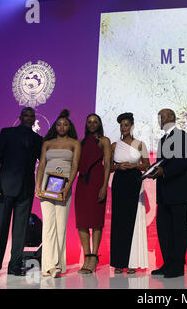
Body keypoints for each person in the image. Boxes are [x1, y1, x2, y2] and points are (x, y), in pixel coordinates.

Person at [0, 107, 43, 278]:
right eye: (26, 115)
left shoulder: (38, 139)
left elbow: (45, 162)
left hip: (26, 190)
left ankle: (15, 266)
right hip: (5, 187)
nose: (28, 118)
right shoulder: (7, 133)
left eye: (31, 116)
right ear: (20, 117)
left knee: (20, 231)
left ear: (34, 120)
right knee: (0, 229)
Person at [147, 109, 187, 278]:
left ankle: (178, 267)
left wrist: (162, 172)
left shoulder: (181, 135)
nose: (160, 119)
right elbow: (162, 162)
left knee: (178, 230)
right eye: (158, 117)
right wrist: (152, 170)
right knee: (164, 229)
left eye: (162, 116)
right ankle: (168, 264)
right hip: (164, 191)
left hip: (178, 191)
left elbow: (181, 163)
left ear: (172, 118)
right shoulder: (163, 139)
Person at [35, 109, 81, 278]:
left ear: (69, 127)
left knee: (60, 226)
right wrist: (37, 186)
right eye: (59, 124)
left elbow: (75, 166)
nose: (62, 127)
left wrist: (68, 188)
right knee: (48, 226)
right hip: (47, 186)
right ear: (55, 126)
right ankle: (49, 266)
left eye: (65, 124)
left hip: (64, 187)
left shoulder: (75, 143)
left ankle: (59, 265)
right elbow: (41, 166)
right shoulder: (47, 143)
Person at [110, 112, 150, 274]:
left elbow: (147, 165)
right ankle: (119, 262)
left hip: (134, 181)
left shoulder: (140, 144)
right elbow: (109, 167)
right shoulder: (114, 145)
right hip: (119, 181)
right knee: (119, 220)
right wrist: (118, 167)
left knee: (133, 219)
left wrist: (134, 166)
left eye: (126, 125)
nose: (123, 128)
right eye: (121, 125)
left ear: (131, 126)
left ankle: (133, 261)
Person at [75, 113, 111, 274]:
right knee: (82, 222)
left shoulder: (104, 141)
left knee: (96, 221)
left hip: (97, 181)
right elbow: (75, 164)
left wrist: (104, 186)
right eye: (89, 121)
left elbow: (108, 164)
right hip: (82, 183)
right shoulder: (80, 142)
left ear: (99, 124)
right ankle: (87, 256)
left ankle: (94, 257)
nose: (92, 124)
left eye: (95, 122)